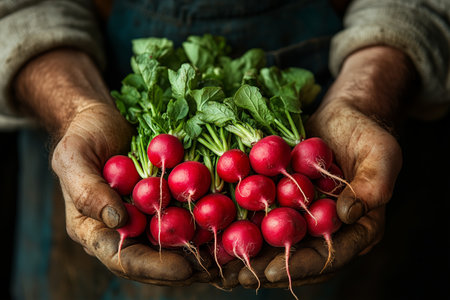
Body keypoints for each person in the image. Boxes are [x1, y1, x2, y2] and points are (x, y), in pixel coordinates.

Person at [1, 0, 449, 299]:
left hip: (337, 85)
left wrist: (365, 99)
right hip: (97, 88)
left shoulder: (270, 166)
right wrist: (76, 110)